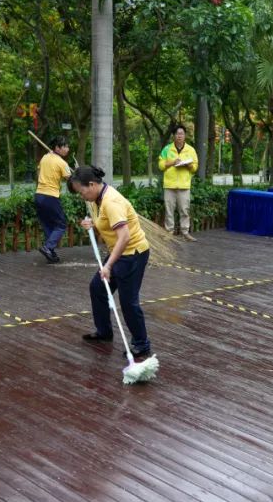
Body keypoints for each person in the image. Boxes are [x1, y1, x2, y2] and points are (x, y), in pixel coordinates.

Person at [72, 166, 152, 358]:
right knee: (97, 287)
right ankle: (104, 332)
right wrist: (92, 224)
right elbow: (106, 223)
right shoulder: (97, 199)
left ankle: (142, 344)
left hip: (132, 253)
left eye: (82, 192)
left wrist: (108, 266)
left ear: (92, 185)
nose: (82, 196)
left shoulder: (111, 202)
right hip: (119, 252)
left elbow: (124, 237)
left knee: (128, 301)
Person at [158, 124, 198, 240]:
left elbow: (195, 167)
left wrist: (188, 165)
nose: (179, 136)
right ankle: (169, 233)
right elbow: (161, 165)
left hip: (184, 186)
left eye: (181, 133)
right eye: (177, 134)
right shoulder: (167, 149)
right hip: (169, 185)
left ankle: (185, 232)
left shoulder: (191, 150)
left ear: (185, 135)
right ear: (173, 136)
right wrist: (173, 162)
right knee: (169, 210)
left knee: (184, 210)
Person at [36, 135, 72, 262]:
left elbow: (38, 173)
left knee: (48, 225)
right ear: (57, 147)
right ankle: (48, 247)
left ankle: (50, 253)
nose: (67, 149)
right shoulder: (62, 163)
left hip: (39, 195)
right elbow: (70, 181)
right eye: (65, 146)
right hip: (51, 196)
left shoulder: (44, 158)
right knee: (61, 224)